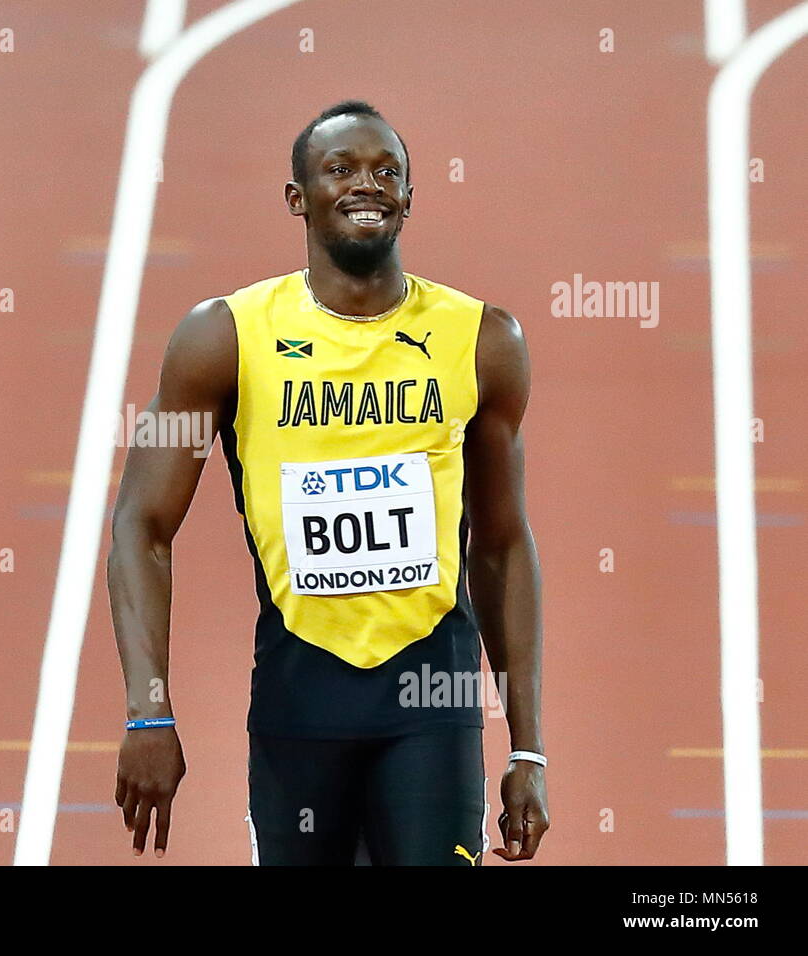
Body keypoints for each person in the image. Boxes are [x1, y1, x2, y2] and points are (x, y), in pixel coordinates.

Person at [108, 101, 547, 865]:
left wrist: (529, 751)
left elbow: (504, 547)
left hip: (431, 702)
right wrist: (150, 714)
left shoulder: (483, 341)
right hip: (298, 702)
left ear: (409, 197)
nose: (365, 185)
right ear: (297, 197)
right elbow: (139, 525)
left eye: (386, 171)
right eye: (339, 170)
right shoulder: (222, 338)